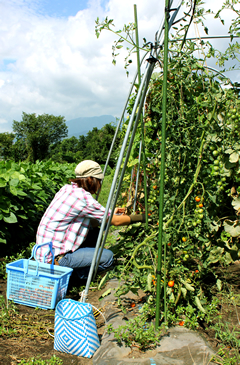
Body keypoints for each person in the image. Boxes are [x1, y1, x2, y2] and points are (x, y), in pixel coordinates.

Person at [35, 160, 145, 281]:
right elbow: (115, 221)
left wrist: (112, 212)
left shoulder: (67, 189)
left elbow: (96, 218)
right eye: (99, 181)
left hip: (45, 253)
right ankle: (71, 278)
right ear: (90, 179)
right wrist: (142, 218)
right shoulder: (83, 198)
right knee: (108, 258)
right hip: (56, 259)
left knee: (94, 232)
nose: (99, 184)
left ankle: (75, 266)